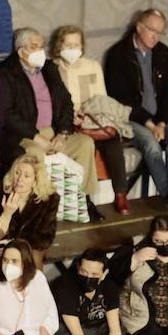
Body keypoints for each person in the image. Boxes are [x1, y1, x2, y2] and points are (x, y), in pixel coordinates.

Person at [0, 27, 100, 202]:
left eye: (42, 46)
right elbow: (7, 114)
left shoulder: (49, 68)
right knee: (35, 155)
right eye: (35, 47)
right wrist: (37, 138)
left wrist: (63, 133)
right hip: (26, 136)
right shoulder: (4, 73)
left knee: (85, 144)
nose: (40, 51)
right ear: (21, 52)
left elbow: (66, 101)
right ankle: (42, 203)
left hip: (53, 132)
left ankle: (82, 198)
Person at [52, 24, 138, 206]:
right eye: (68, 45)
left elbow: (102, 98)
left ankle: (121, 194)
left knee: (113, 144)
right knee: (86, 146)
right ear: (59, 46)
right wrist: (71, 116)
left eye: (76, 45)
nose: (72, 49)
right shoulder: (53, 70)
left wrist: (90, 115)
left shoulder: (93, 66)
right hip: (69, 123)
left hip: (95, 119)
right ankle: (86, 200)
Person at [104, 11, 168, 201]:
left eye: (160, 32)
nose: (155, 36)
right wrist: (150, 124)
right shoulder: (119, 55)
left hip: (161, 117)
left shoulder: (162, 52)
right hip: (132, 117)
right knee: (151, 145)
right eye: (152, 30)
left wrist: (162, 123)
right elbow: (122, 98)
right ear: (139, 28)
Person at [0, 154, 59, 275]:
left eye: (27, 176)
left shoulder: (49, 200)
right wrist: (6, 215)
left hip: (29, 246)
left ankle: (31, 291)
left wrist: (15, 248)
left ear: (35, 181)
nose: (20, 179)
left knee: (34, 256)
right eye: (17, 173)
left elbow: (45, 237)